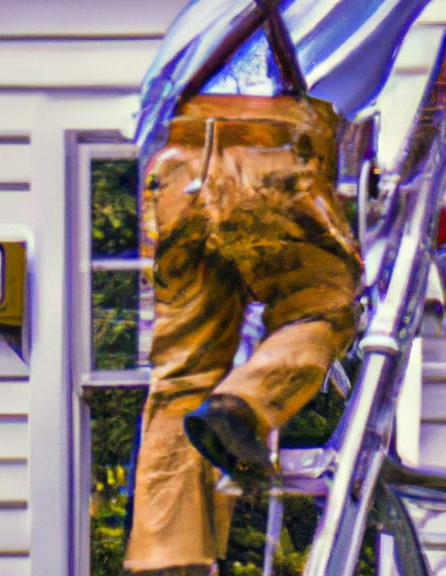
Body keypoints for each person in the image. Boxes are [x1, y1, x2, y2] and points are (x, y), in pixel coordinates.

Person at [122, 90, 363, 574]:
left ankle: (168, 561)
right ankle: (244, 403)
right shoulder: (311, 23)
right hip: (272, 148)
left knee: (182, 378)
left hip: (178, 165)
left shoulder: (214, 26)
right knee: (319, 308)